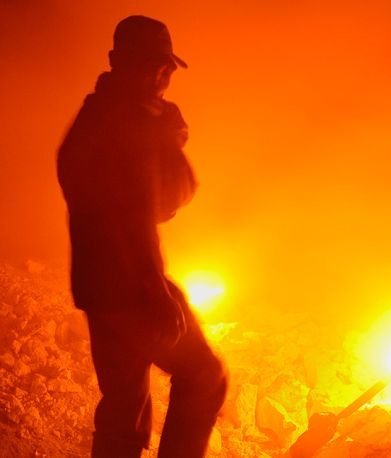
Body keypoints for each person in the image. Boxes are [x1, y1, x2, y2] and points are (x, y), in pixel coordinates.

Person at [57, 16, 227, 457]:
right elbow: (141, 213)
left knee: (124, 410)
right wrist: (156, 291)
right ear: (117, 61)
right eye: (149, 64)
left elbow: (156, 206)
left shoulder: (99, 116)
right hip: (132, 288)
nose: (161, 75)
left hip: (100, 289)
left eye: (166, 66)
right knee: (205, 376)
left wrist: (163, 135)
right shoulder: (122, 125)